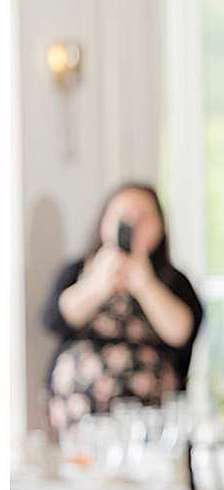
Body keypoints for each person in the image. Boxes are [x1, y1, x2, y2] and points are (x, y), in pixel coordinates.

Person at [41, 183, 203, 435]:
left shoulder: (173, 280)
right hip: (78, 420)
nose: (132, 223)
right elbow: (55, 318)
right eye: (122, 215)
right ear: (104, 221)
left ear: (160, 226)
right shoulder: (80, 270)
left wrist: (144, 283)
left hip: (149, 420)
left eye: (143, 216)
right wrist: (98, 284)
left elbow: (182, 332)